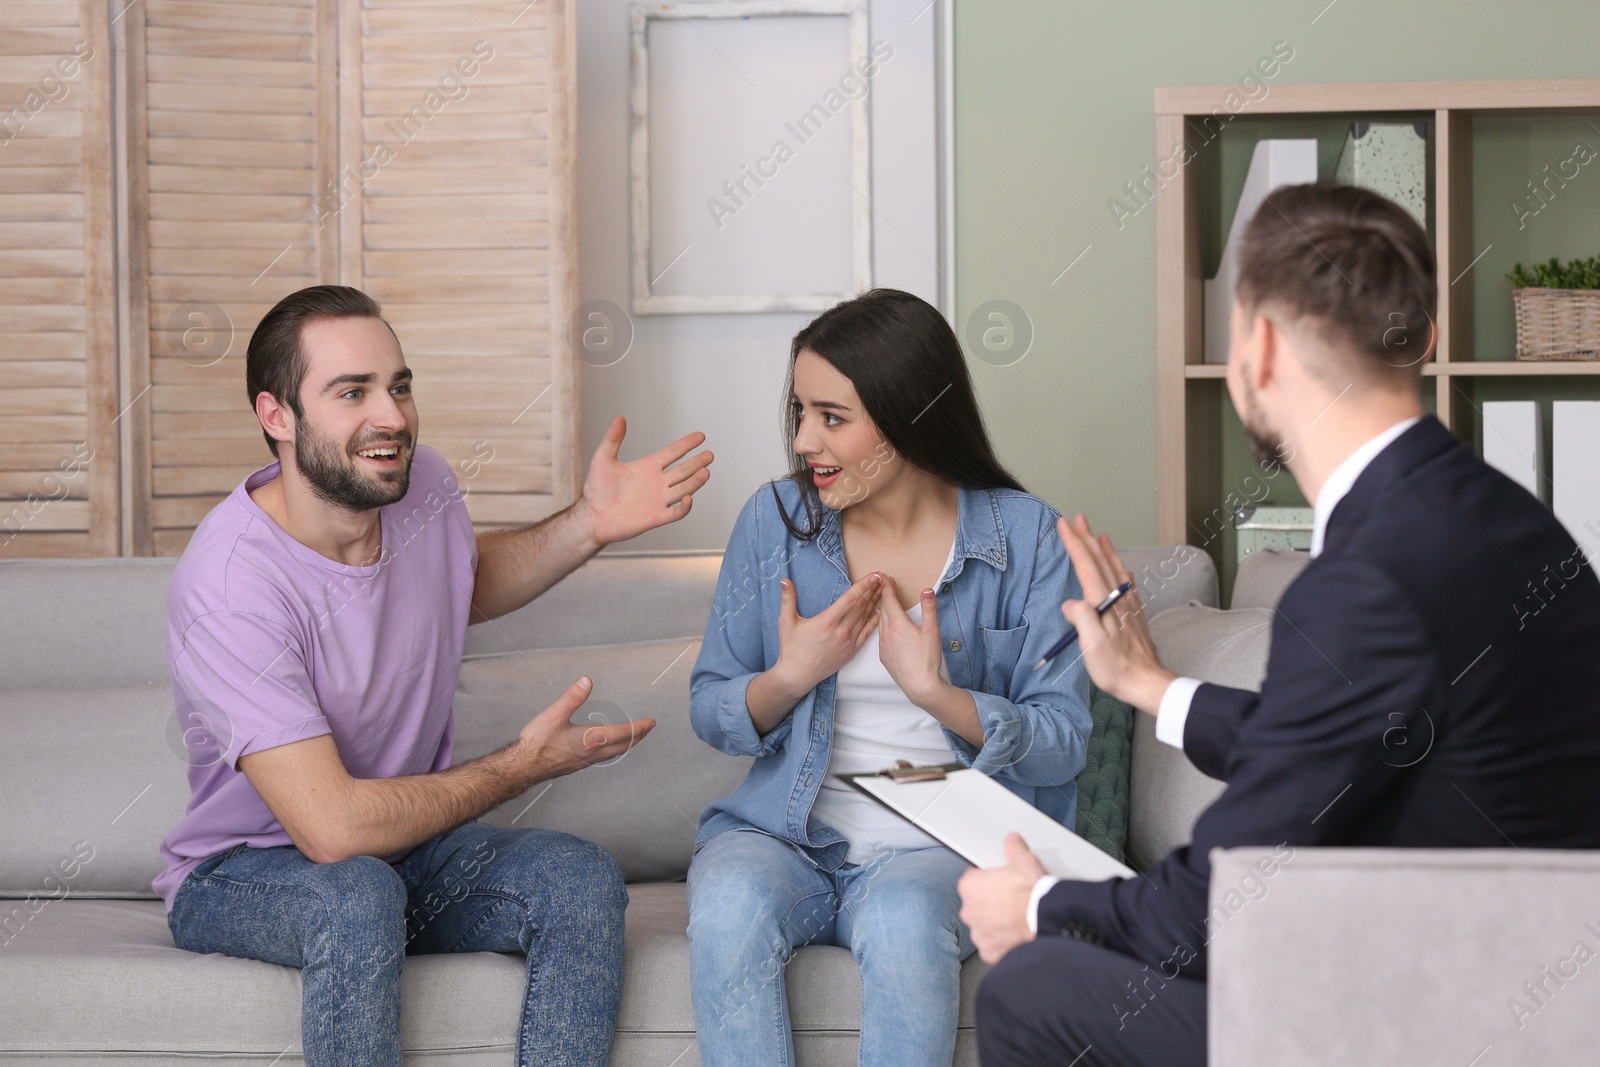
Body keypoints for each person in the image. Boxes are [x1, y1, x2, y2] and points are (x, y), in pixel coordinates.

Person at [958, 182, 1600, 1066]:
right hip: (1529, 995)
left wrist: (1035, 906)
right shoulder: (1508, 521)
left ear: (1259, 346)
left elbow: (1220, 905)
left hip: (1431, 1014)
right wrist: (1151, 685)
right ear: (1420, 339)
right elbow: (1362, 742)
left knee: (1033, 990)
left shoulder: (1368, 578)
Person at [154, 284, 715, 1066]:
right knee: (356, 893)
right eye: (352, 392)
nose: (391, 416)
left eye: (399, 385)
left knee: (579, 878)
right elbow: (335, 830)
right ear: (277, 416)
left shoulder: (422, 487)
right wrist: (521, 766)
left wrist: (588, 524)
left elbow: (461, 579)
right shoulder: (231, 586)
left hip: (404, 848)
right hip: (245, 869)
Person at [686, 288, 1093, 1067]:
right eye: (800, 410)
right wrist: (792, 674)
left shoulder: (1030, 534)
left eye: (832, 417)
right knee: (730, 898)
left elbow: (1063, 741)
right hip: (783, 833)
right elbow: (710, 703)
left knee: (906, 917)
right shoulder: (773, 521)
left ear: (910, 415)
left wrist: (939, 695)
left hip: (940, 846)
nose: (805, 439)